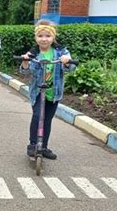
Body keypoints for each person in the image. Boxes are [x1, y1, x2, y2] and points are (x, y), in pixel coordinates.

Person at [20, 19, 76, 160]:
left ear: (53, 37)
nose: (44, 39)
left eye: (47, 36)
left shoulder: (60, 51)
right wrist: (25, 61)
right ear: (36, 37)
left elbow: (72, 67)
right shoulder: (33, 53)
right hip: (38, 92)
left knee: (47, 120)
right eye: (40, 36)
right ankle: (33, 145)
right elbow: (25, 72)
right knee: (38, 116)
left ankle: (43, 146)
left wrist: (67, 61)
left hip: (53, 92)